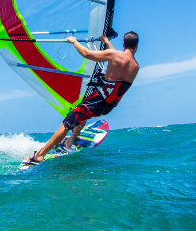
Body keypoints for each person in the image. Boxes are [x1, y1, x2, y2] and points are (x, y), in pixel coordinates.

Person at [25, 31, 140, 164]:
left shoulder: (115, 55)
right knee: (82, 115)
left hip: (96, 102)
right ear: (136, 46)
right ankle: (69, 142)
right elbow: (118, 59)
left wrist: (73, 41)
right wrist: (107, 42)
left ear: (123, 43)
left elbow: (87, 53)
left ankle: (39, 155)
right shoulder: (135, 67)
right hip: (108, 106)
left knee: (66, 124)